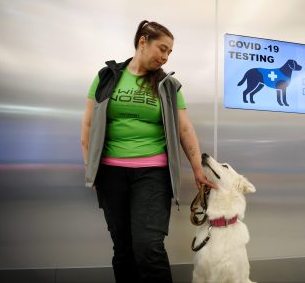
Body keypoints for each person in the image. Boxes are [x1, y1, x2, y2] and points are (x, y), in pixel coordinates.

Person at [81, 20, 216, 283]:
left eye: (169, 53)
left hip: (153, 175)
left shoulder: (168, 84)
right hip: (111, 174)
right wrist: (91, 168)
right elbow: (88, 124)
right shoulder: (107, 76)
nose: (165, 57)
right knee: (123, 249)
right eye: (162, 48)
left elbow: (185, 129)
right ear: (143, 41)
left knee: (148, 247)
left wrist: (198, 169)